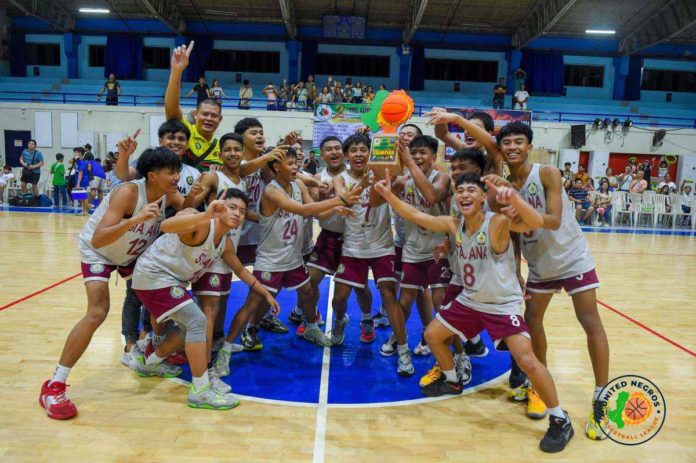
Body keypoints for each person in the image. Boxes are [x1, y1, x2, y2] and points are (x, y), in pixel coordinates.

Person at [374, 170, 574, 453]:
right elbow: (417, 216)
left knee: (528, 361)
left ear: (482, 197)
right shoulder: (454, 224)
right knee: (433, 335)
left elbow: (536, 221)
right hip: (470, 301)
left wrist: (514, 199)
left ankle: (559, 418)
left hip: (501, 305)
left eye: (471, 190)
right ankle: (453, 381)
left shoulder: (499, 222)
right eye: (461, 190)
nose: (465, 194)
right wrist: (388, 195)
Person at [38, 147, 184, 420]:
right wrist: (138, 219)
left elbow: (190, 208)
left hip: (129, 254)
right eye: (171, 172)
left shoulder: (170, 195)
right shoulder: (129, 193)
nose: (177, 177)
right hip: (101, 252)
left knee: (160, 296)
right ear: (152, 176)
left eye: (178, 171)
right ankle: (54, 384)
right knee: (97, 312)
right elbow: (99, 238)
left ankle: (150, 352)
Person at [483, 122, 608, 440]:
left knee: (589, 321)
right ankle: (539, 386)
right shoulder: (503, 186)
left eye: (519, 142)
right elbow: (509, 234)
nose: (512, 146)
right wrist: (515, 270)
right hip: (539, 265)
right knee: (531, 321)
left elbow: (551, 221)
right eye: (506, 142)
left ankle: (601, 398)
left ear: (529, 146)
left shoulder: (547, 173)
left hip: (572, 259)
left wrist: (515, 204)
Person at [133, 189, 279, 408]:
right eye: (232, 207)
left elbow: (240, 270)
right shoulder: (202, 223)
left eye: (242, 210)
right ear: (219, 206)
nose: (238, 214)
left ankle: (150, 363)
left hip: (169, 281)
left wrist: (266, 294)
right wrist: (205, 215)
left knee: (187, 331)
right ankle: (201, 390)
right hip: (153, 276)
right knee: (198, 322)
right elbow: (165, 226)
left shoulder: (225, 243)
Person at [234, 146, 361, 349]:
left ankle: (311, 327)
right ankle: (251, 328)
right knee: (262, 298)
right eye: (290, 164)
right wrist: (341, 198)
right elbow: (302, 209)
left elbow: (315, 213)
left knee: (308, 290)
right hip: (271, 257)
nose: (296, 167)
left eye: (296, 163)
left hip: (293, 255)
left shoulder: (298, 186)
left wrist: (334, 208)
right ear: (276, 167)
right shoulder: (271, 191)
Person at [331, 133, 413, 375]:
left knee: (389, 295)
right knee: (339, 298)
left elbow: (401, 180)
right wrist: (365, 184)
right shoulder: (340, 178)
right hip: (353, 246)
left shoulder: (385, 175)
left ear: (371, 153)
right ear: (347, 156)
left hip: (382, 246)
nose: (358, 154)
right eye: (353, 150)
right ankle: (340, 321)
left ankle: (403, 349)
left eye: (363, 149)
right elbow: (344, 199)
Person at [182, 133, 251, 370]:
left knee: (222, 302)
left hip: (228, 249)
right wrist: (191, 195)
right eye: (228, 149)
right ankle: (206, 366)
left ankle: (217, 341)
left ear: (243, 153)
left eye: (237, 149)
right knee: (209, 310)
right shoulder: (213, 176)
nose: (232, 153)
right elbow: (189, 208)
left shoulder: (241, 181)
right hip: (211, 251)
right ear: (220, 153)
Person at [166, 42, 223, 172]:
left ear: (220, 120)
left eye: (214, 116)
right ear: (195, 114)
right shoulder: (186, 132)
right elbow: (172, 109)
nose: (209, 118)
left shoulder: (223, 147)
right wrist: (176, 72)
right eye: (204, 114)